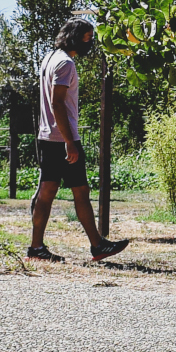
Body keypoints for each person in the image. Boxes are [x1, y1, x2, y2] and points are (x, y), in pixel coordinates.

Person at [26, 18, 129, 264]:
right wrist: (70, 142)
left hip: (47, 136)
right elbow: (57, 102)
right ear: (75, 37)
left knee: (50, 191)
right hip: (62, 138)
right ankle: (96, 245)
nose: (89, 42)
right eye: (87, 37)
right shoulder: (65, 64)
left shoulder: (50, 58)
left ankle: (38, 247)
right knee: (79, 192)